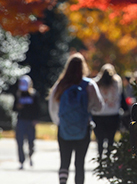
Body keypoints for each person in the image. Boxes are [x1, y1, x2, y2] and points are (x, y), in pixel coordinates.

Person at [48, 53, 104, 184]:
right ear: (83, 67)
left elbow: (52, 106)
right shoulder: (89, 85)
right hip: (83, 128)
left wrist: (59, 122)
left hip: (64, 129)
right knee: (79, 163)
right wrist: (89, 110)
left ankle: (62, 181)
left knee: (64, 161)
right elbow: (99, 106)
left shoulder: (60, 85)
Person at [92, 63, 126, 160]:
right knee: (111, 138)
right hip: (113, 114)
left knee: (100, 139)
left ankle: (100, 158)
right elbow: (119, 95)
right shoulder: (116, 81)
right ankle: (108, 158)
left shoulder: (96, 82)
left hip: (98, 114)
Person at [13, 74, 41, 170]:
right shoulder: (18, 95)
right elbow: (14, 108)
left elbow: (37, 109)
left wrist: (35, 119)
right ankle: (21, 161)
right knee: (20, 142)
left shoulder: (34, 95)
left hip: (30, 122)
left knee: (31, 142)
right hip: (21, 121)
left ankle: (30, 156)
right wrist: (18, 106)